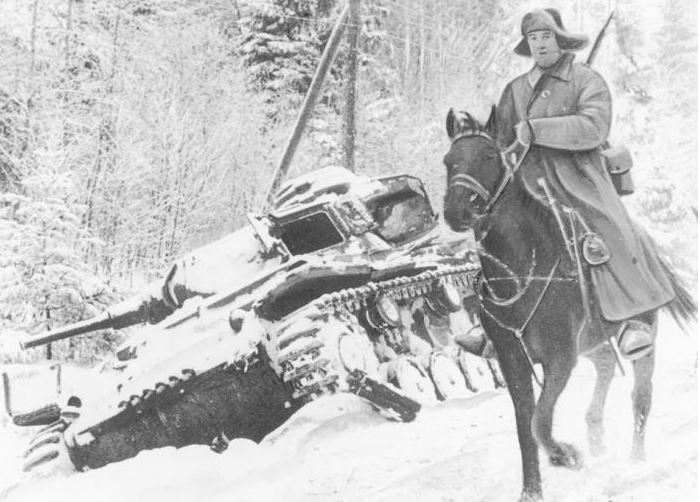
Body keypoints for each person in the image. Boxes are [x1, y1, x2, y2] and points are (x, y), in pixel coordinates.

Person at [494, 8, 675, 350]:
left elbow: (594, 128)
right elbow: (501, 138)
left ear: (560, 39)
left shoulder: (587, 80)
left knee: (607, 228)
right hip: (527, 181)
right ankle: (494, 321)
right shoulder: (515, 89)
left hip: (578, 177)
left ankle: (630, 320)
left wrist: (537, 129)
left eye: (546, 36)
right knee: (494, 233)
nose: (540, 44)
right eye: (533, 38)